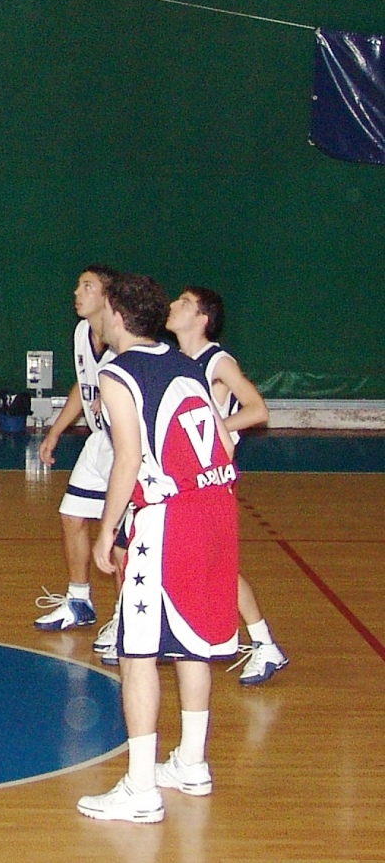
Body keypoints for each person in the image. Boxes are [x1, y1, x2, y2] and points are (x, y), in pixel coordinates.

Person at [77, 273, 239, 824]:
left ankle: (141, 786)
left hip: (172, 516)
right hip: (218, 505)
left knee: (138, 649)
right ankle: (191, 763)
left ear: (119, 316)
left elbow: (127, 459)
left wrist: (107, 530)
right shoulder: (185, 364)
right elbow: (218, 431)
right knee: (191, 643)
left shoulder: (119, 372)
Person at [166, 285, 286, 685]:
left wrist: (219, 431)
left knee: (218, 567)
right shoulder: (176, 360)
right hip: (184, 478)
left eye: (183, 303)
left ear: (202, 319)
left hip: (211, 480)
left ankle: (264, 644)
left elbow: (258, 410)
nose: (172, 306)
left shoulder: (217, 361)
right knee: (202, 564)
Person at [33, 265, 119, 633]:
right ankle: (79, 601)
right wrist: (55, 431)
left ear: (108, 298)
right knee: (72, 517)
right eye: (77, 285)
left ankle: (127, 620)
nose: (77, 293)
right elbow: (81, 386)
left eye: (87, 286)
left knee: (122, 537)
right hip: (98, 441)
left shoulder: (127, 340)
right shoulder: (83, 331)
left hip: (126, 448)